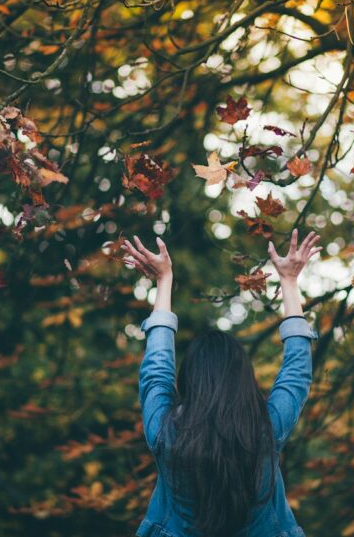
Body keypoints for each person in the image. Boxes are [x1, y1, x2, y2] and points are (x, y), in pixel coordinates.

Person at [121, 229, 322, 537]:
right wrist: (289, 282)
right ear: (244, 380)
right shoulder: (267, 429)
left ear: (189, 380)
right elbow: (297, 372)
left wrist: (164, 281)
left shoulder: (164, 432)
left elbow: (157, 369)